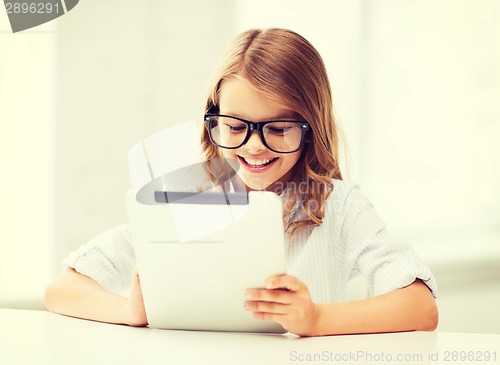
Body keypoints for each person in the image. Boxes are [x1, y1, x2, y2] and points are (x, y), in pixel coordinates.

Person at [44, 28, 438, 336]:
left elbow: (422, 307)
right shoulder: (190, 198)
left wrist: (317, 318)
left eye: (279, 128)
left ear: (311, 127)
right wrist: (127, 312)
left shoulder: (340, 205)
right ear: (213, 121)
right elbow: (62, 289)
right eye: (234, 126)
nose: (253, 146)